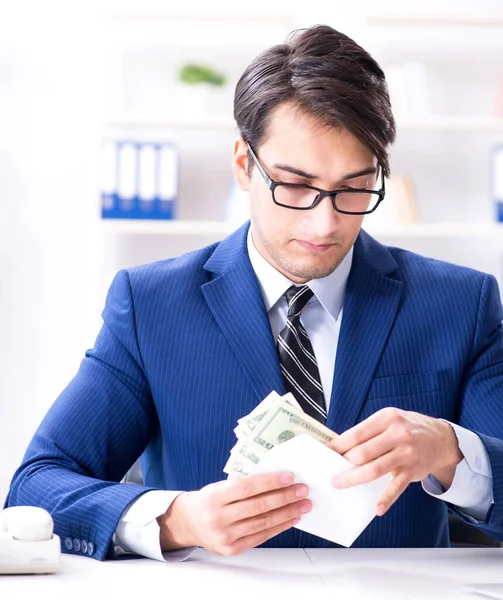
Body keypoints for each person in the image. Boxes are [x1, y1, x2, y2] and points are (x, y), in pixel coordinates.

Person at [5, 24, 503, 561]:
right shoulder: (150, 306)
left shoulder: (460, 304)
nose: (324, 222)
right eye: (294, 185)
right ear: (245, 165)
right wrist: (176, 519)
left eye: (354, 188)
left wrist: (454, 453)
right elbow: (36, 486)